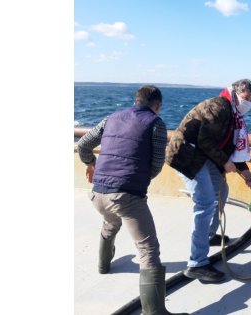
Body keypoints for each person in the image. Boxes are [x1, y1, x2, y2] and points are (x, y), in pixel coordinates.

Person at [77, 85, 187, 315]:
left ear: (136, 100)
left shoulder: (111, 118)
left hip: (98, 193)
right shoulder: (156, 124)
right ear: (157, 105)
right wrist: (136, 180)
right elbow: (157, 164)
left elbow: (83, 144)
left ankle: (103, 266)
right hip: (126, 194)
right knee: (148, 250)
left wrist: (90, 163)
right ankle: (154, 312)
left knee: (110, 223)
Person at [165, 78, 251, 283]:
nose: (247, 103)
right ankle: (197, 263)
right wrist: (225, 163)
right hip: (187, 155)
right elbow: (204, 140)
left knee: (221, 190)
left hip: (204, 156)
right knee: (205, 202)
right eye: (245, 98)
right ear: (234, 93)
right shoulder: (219, 107)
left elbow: (226, 146)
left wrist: (245, 172)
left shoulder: (234, 115)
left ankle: (209, 234)